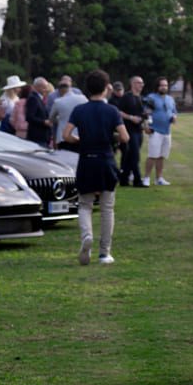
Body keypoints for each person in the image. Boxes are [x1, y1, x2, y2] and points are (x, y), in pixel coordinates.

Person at [63, 69, 128, 266]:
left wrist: (79, 140)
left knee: (85, 204)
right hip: (105, 160)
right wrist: (112, 137)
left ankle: (86, 236)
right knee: (107, 207)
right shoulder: (112, 111)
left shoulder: (80, 110)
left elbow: (66, 135)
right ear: (106, 87)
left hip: (86, 159)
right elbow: (125, 137)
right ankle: (104, 253)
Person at [143, 77, 177, 186]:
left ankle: (159, 179)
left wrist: (174, 117)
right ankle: (146, 178)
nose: (164, 87)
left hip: (167, 131)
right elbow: (146, 113)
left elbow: (174, 111)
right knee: (152, 155)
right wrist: (146, 126)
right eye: (162, 85)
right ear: (157, 86)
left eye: (166, 85)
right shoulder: (151, 98)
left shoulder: (170, 99)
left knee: (162, 156)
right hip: (155, 130)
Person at [117, 76, 146, 187]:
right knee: (135, 155)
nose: (141, 85)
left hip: (139, 130)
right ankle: (137, 180)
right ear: (133, 84)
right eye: (139, 83)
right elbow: (118, 111)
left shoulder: (141, 98)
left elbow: (143, 114)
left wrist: (144, 121)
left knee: (130, 156)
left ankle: (124, 180)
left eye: (142, 83)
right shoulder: (126, 97)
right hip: (129, 130)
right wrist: (130, 117)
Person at [49, 79, 87, 152]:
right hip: (80, 135)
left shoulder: (58, 102)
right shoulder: (83, 98)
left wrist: (59, 120)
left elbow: (51, 118)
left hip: (63, 137)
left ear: (60, 91)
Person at [25, 77, 53, 147]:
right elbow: (29, 117)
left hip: (42, 137)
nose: (46, 90)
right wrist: (43, 122)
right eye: (44, 88)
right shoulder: (33, 98)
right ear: (38, 87)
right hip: (37, 136)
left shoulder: (39, 98)